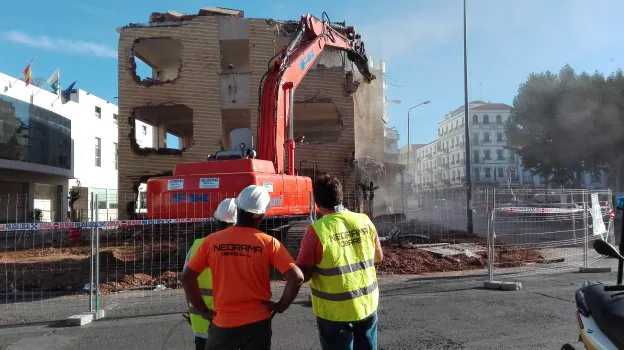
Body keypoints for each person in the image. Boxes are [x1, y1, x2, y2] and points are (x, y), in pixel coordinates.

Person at [181, 185, 304, 350]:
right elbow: (297, 277)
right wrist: (281, 306)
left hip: (223, 324)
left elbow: (187, 279)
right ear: (260, 216)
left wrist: (204, 311)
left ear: (238, 209)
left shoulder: (211, 241)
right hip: (258, 324)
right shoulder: (269, 243)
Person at [297, 174, 384, 350]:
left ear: (317, 202)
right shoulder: (364, 221)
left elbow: (303, 275)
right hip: (367, 303)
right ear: (341, 196)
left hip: (334, 312)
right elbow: (378, 257)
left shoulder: (316, 232)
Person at [183, 198, 238, 350]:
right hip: (233, 327)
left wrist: (197, 310)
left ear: (216, 220)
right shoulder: (242, 250)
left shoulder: (197, 245)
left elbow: (187, 283)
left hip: (202, 324)